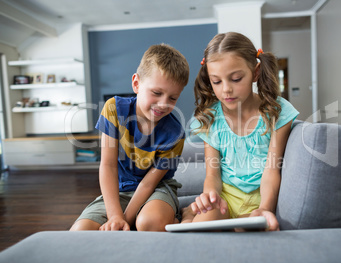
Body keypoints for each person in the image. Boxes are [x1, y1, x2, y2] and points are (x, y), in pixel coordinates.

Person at [181, 32, 299, 231]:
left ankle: (189, 213)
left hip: (259, 198)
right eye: (216, 82)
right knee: (201, 227)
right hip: (224, 197)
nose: (226, 89)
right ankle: (190, 215)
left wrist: (265, 208)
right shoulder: (211, 118)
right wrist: (211, 196)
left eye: (236, 79)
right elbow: (213, 174)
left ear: (255, 72)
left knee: (245, 228)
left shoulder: (276, 111)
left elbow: (272, 169)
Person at [70, 44, 189, 231]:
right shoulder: (113, 109)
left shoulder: (175, 134)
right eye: (156, 93)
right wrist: (115, 217)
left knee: (147, 223)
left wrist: (125, 220)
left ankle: (172, 217)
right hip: (120, 190)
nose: (163, 104)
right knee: (80, 232)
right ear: (136, 83)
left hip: (157, 189)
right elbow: (108, 165)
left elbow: (149, 183)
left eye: (173, 98)